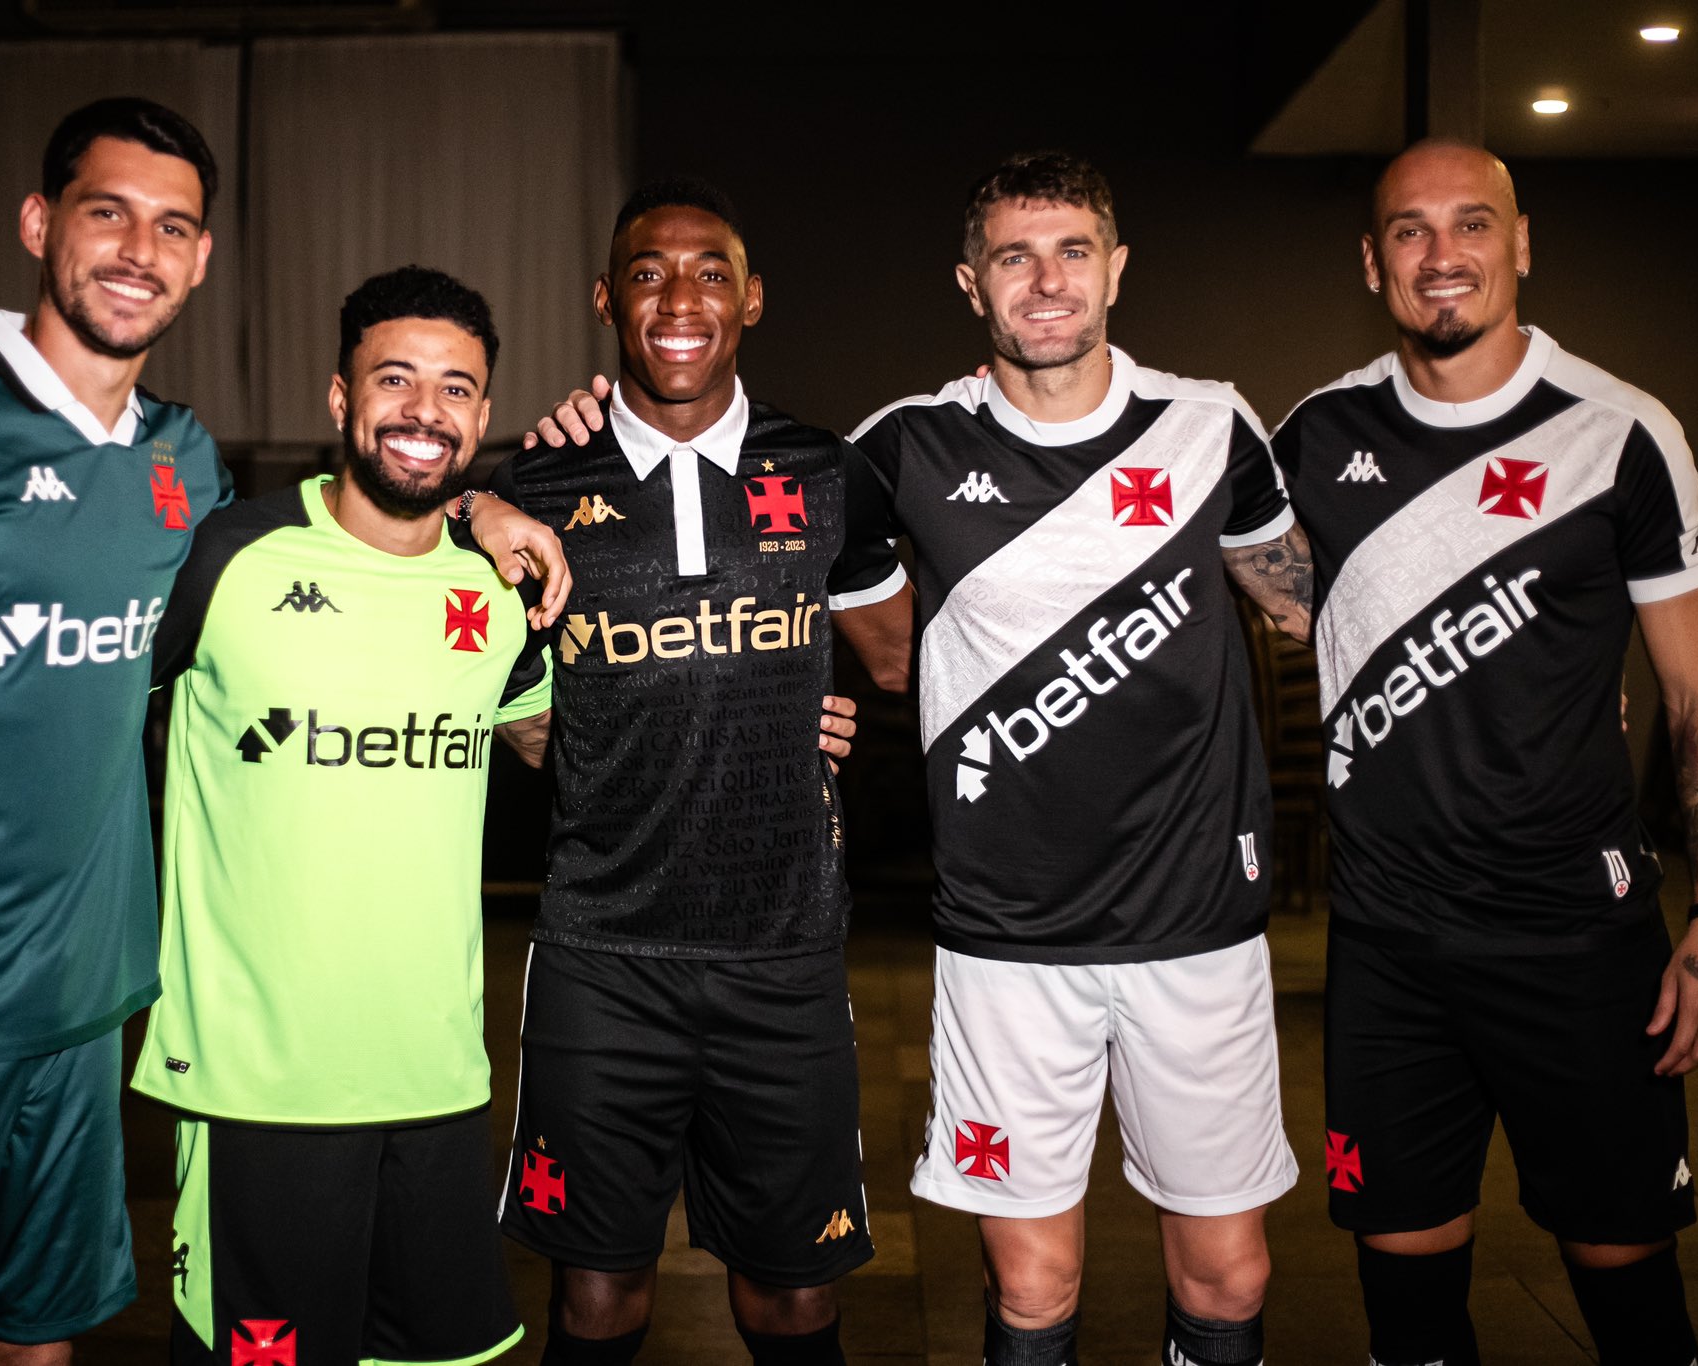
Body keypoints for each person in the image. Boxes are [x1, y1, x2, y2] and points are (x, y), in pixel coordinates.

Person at [0, 99, 566, 1365]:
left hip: (86, 1013)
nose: (139, 249)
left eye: (173, 226)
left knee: (27, 1336)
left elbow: (388, 505)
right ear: (39, 225)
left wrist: (477, 500)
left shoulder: (181, 467)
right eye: (106, 212)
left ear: (201, 261)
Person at [841, 151, 1309, 1366]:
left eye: (1069, 251)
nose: (1043, 281)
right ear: (968, 280)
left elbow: (1310, 608)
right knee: (1033, 1284)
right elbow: (883, 649)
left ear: (1114, 268)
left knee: (1227, 1270)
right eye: (1012, 256)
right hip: (1007, 943)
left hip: (1197, 927)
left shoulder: (1209, 426)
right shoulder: (900, 447)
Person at [1271, 138, 1698, 1366]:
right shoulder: (1313, 439)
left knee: (1629, 1291)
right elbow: (1263, 600)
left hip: (1576, 945)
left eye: (1470, 225)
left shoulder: (1622, 434)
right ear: (1371, 262)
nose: (1441, 256)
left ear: (1518, 243)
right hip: (1387, 951)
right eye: (1409, 233)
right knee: (1406, 1310)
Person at [490, 179, 909, 1366]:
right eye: (646, 273)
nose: (679, 298)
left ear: (752, 299)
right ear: (604, 300)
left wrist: (813, 698)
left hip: (781, 954)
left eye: (710, 272)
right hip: (600, 958)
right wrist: (472, 499)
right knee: (595, 1300)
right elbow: (499, 700)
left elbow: (892, 660)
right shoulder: (530, 487)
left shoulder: (826, 472)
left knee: (791, 1301)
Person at [133, 266, 551, 1366]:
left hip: (440, 1078)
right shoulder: (228, 555)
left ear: (484, 413)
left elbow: (555, 743)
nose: (426, 410)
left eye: (457, 388)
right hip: (259, 1082)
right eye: (396, 379)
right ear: (337, 397)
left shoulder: (499, 587)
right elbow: (84, 729)